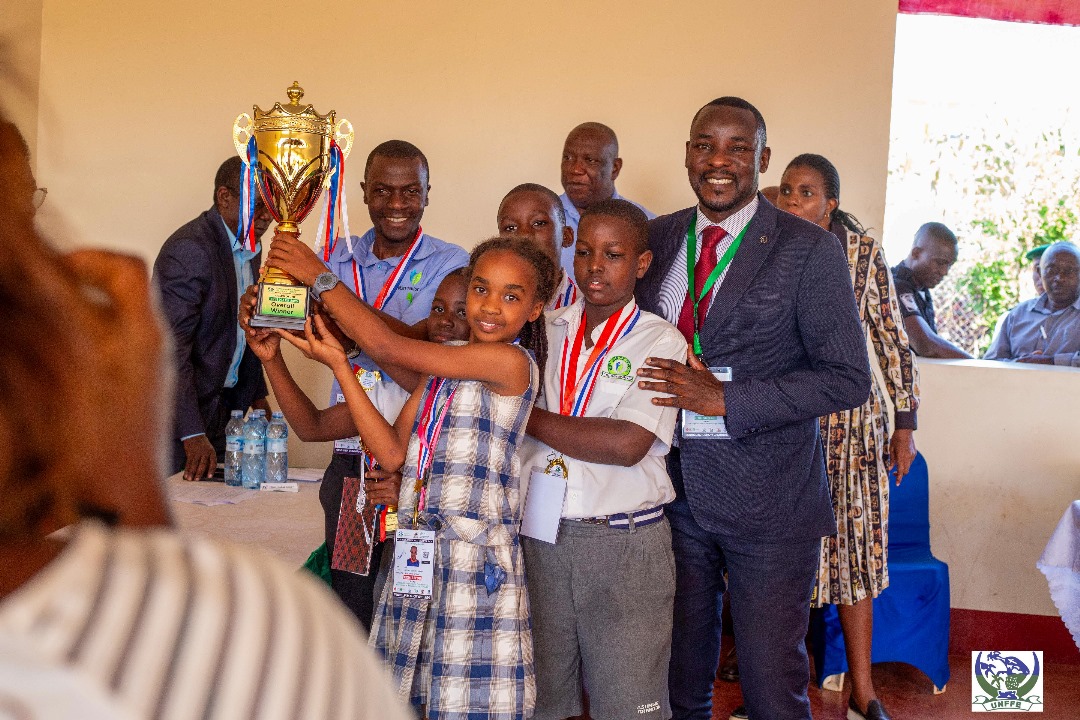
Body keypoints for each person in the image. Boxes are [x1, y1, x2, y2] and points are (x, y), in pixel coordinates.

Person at [0, 118, 411, 720]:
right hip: (241, 438)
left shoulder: (430, 268)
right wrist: (170, 438)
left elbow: (396, 353)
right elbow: (185, 349)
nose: (266, 215)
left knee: (379, 603)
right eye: (22, 213)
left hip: (333, 455)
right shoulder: (197, 249)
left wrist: (263, 381)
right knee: (343, 594)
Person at [634, 97, 871, 720]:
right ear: (688, 154)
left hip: (770, 500)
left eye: (738, 148)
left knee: (770, 683)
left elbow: (849, 379)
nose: (719, 161)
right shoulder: (658, 238)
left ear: (762, 160)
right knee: (678, 673)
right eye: (705, 145)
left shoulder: (808, 249)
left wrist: (726, 399)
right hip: (669, 490)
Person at [273, 236, 558, 720]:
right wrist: (336, 363)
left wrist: (318, 276)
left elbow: (386, 346)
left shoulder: (511, 363)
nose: (490, 306)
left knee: (468, 701)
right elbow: (390, 451)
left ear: (535, 310)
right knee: (407, 696)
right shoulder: (440, 372)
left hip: (472, 564)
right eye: (481, 290)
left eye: (511, 296)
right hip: (418, 554)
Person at [251, 140, 469, 629]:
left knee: (418, 609)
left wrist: (328, 290)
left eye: (410, 191)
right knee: (353, 605)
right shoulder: (333, 254)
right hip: (352, 457)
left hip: (418, 459)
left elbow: (412, 345)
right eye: (384, 191)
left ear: (428, 193)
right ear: (365, 192)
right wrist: (269, 309)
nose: (397, 203)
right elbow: (311, 337)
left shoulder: (451, 266)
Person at [521, 199, 686, 720]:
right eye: (586, 252)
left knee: (630, 704)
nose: (595, 267)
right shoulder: (543, 329)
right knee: (542, 698)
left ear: (641, 263)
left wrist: (520, 415)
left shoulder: (661, 340)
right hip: (541, 536)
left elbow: (626, 444)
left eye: (613, 255)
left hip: (623, 545)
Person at [777, 153, 919, 720]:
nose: (793, 201)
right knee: (781, 559)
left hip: (854, 427)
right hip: (787, 423)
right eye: (787, 191)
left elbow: (891, 340)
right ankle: (776, 689)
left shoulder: (861, 255)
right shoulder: (767, 248)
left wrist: (905, 425)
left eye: (806, 192)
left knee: (854, 556)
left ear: (831, 203)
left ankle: (863, 689)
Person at [152, 157, 274, 481]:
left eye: (272, 207)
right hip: (178, 423)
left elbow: (243, 329)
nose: (266, 217)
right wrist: (192, 433)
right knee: (178, 507)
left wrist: (258, 396)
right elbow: (170, 349)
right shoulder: (189, 250)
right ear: (224, 197)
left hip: (224, 412)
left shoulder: (251, 246)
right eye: (258, 206)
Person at [559, 122, 655, 277]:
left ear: (615, 168)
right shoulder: (541, 220)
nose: (575, 169)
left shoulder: (646, 223)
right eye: (567, 157)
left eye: (590, 160)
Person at [984, 242, 1080, 366]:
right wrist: (1020, 364)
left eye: (1069, 271)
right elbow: (991, 363)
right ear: (1039, 273)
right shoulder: (1018, 314)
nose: (1060, 278)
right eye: (1052, 270)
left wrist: (1052, 361)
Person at [891, 223, 971, 358]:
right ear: (916, 253)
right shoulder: (896, 286)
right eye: (940, 263)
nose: (944, 272)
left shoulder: (921, 288)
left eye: (949, 265)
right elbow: (925, 344)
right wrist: (977, 365)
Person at [498, 182, 579, 310]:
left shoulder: (586, 309)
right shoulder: (489, 306)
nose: (524, 235)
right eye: (510, 228)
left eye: (539, 223)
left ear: (566, 236)